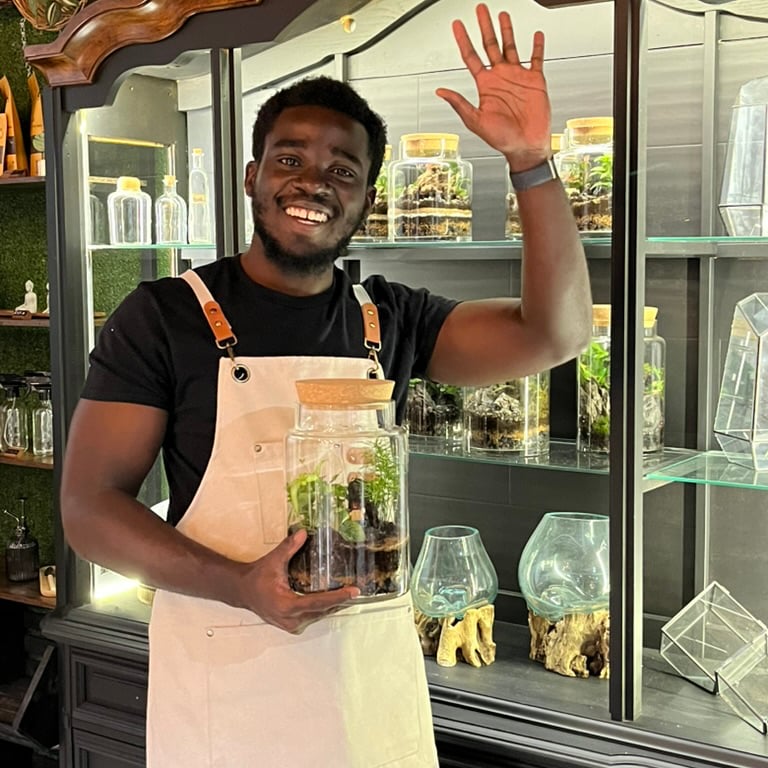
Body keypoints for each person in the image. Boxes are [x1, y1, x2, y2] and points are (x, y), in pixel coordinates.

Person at [60, 4, 592, 766]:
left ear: (367, 199)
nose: (314, 181)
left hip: (367, 698)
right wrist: (240, 583)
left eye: (343, 170)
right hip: (227, 700)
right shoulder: (166, 318)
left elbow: (556, 334)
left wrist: (532, 163)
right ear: (252, 177)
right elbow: (87, 510)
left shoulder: (390, 319)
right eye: (290, 159)